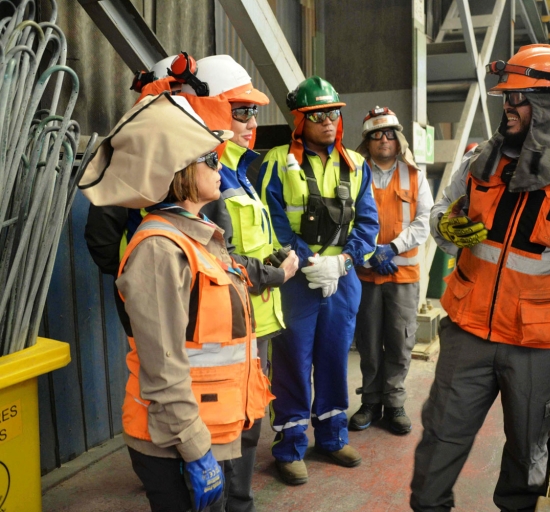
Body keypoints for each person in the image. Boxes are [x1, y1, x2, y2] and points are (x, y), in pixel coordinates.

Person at [410, 44, 550, 512]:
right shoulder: (481, 160)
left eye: (519, 98)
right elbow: (441, 210)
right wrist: (444, 226)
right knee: (441, 437)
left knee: (528, 448)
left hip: (540, 346)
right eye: (506, 98)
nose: (508, 107)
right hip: (468, 332)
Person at [79, 92, 273, 512]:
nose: (220, 167)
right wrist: (195, 449)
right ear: (180, 171)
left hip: (209, 429)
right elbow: (163, 368)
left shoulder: (197, 236)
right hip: (179, 444)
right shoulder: (159, 251)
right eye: (211, 159)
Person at [178, 54, 299, 512]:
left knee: (247, 421)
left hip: (251, 321)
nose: (252, 122)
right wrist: (276, 273)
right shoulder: (203, 176)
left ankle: (239, 504)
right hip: (224, 327)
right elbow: (217, 258)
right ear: (210, 110)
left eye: (254, 112)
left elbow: (239, 244)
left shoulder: (235, 172)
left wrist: (272, 258)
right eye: (241, 110)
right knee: (224, 429)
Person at [256, 76, 379, 485]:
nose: (328, 121)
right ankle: (290, 446)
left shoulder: (356, 164)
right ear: (300, 120)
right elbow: (272, 223)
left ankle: (332, 436)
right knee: (292, 360)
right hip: (296, 279)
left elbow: (368, 224)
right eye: (317, 115)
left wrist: (342, 262)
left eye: (333, 114)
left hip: (342, 280)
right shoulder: (276, 162)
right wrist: (311, 263)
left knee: (335, 356)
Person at [349, 107, 433, 434]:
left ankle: (394, 402)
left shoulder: (415, 176)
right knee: (368, 342)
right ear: (367, 142)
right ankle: (370, 401)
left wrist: (393, 248)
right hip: (366, 275)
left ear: (398, 139)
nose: (383, 139)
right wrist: (371, 252)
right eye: (375, 135)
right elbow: (348, 219)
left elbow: (424, 221)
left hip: (403, 276)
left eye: (388, 134)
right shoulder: (355, 173)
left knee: (400, 341)